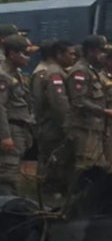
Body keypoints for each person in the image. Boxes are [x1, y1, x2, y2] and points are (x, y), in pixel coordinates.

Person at [66, 35, 112, 188]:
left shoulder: (92, 71)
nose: (104, 56)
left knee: (98, 168)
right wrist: (103, 111)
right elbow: (79, 101)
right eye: (102, 52)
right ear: (91, 51)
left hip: (94, 129)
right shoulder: (80, 72)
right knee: (84, 169)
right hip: (83, 129)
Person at [31, 39, 74, 200]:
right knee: (54, 164)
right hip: (53, 127)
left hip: (49, 125)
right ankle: (49, 201)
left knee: (52, 162)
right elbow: (59, 105)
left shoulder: (46, 71)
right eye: (70, 54)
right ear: (57, 54)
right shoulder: (52, 73)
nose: (73, 57)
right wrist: (68, 126)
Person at [0, 35, 38, 196]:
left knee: (14, 170)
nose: (28, 58)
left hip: (21, 129)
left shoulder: (18, 74)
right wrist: (5, 136)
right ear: (12, 54)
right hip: (11, 127)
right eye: (24, 53)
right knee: (8, 172)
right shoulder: (4, 75)